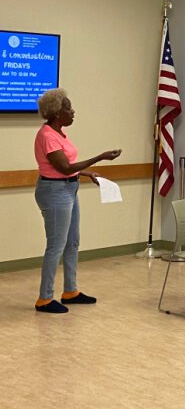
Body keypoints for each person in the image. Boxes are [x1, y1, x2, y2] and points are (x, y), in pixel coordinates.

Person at [33, 89, 122, 313]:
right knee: (56, 246)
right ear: (56, 113)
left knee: (72, 242)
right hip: (54, 192)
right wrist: (100, 157)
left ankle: (70, 291)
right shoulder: (47, 136)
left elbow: (67, 168)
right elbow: (64, 167)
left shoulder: (60, 134)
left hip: (68, 189)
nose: (73, 112)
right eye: (69, 108)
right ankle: (44, 298)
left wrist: (88, 174)